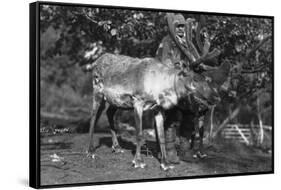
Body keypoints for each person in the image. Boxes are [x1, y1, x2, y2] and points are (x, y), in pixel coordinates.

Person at [155, 13, 199, 164]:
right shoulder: (167, 41)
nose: (181, 29)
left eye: (183, 26)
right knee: (172, 117)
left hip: (186, 87)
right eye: (178, 26)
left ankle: (185, 150)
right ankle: (169, 151)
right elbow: (161, 61)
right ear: (172, 27)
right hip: (170, 85)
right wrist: (175, 66)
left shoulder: (188, 43)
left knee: (189, 115)